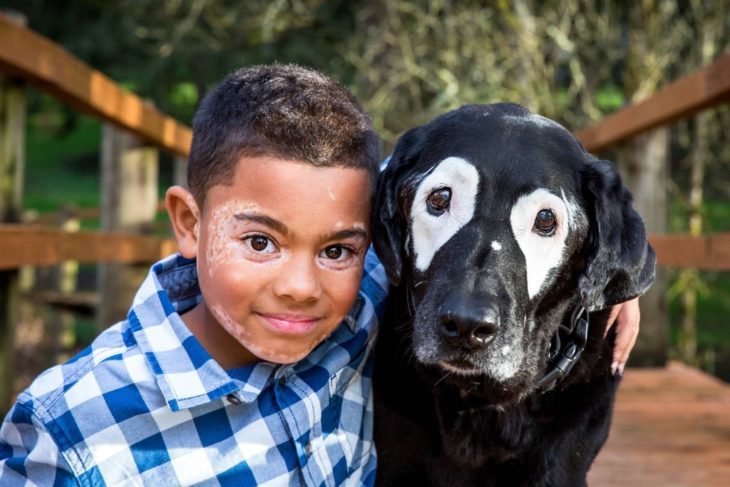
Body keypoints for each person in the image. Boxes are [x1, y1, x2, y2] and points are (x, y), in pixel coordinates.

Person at [0, 64, 640, 486]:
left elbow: (432, 186)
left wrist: (609, 278)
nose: (301, 286)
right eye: (259, 240)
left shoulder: (349, 310)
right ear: (189, 224)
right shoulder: (70, 426)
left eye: (337, 249)